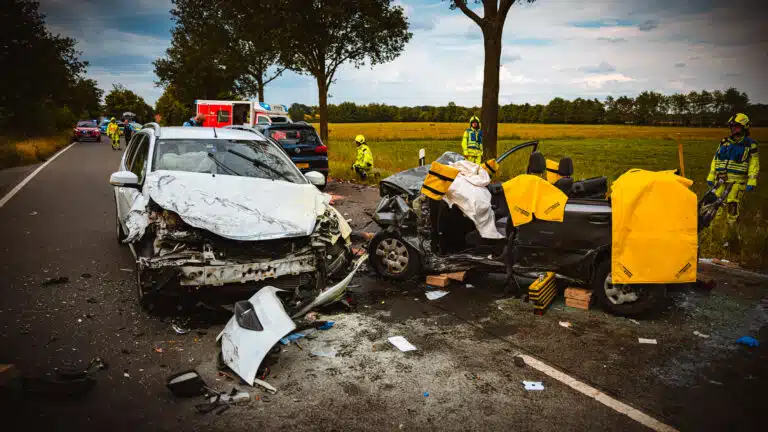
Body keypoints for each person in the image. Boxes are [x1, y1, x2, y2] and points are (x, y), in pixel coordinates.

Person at [706, 112, 760, 248]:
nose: (733, 129)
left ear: (745, 127)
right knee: (715, 210)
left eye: (736, 126)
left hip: (737, 183)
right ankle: (714, 239)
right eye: (732, 126)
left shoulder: (750, 145)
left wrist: (752, 181)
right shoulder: (724, 142)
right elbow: (715, 159)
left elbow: (754, 164)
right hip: (720, 182)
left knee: (732, 212)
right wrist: (711, 176)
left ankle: (729, 240)